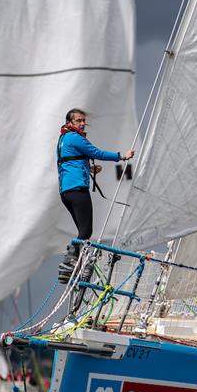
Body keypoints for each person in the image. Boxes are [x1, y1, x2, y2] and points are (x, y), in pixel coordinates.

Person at [57, 108, 134, 283]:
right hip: (77, 190)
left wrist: (89, 169)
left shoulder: (63, 139)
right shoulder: (75, 137)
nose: (82, 123)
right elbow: (96, 152)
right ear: (70, 123)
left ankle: (71, 267)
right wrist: (122, 156)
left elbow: (67, 163)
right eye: (78, 121)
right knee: (86, 232)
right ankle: (69, 264)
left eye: (84, 121)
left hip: (66, 191)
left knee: (82, 232)